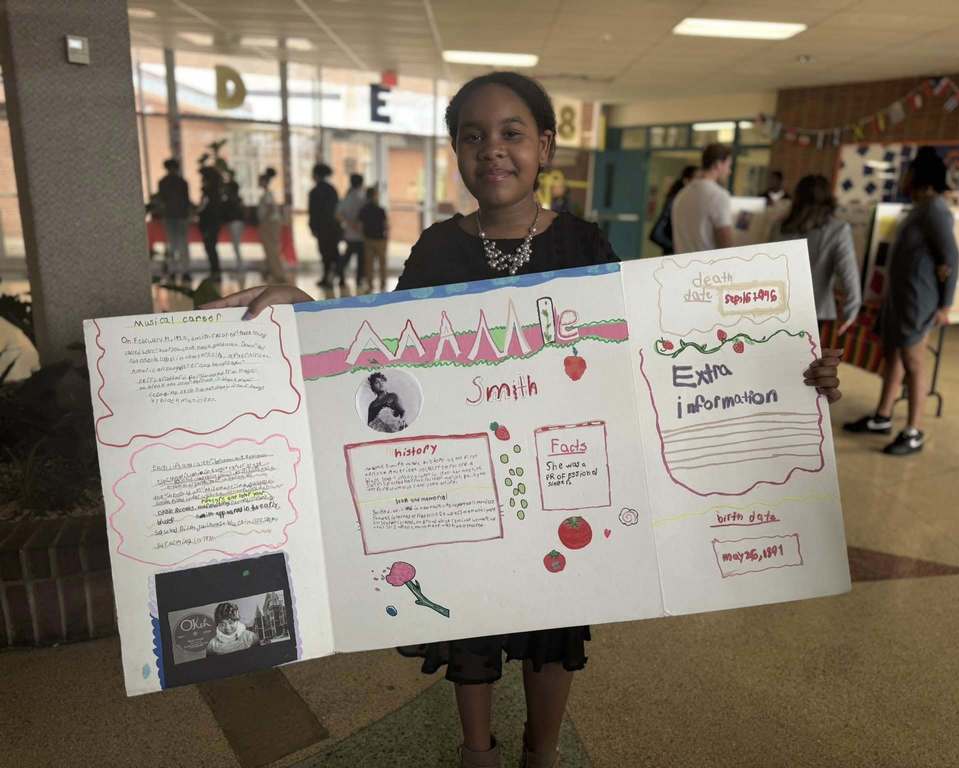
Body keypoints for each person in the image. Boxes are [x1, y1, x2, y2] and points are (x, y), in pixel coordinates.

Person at [203, 71, 844, 768]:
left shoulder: (584, 247)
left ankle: (542, 754)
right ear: (455, 151)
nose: (492, 150)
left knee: (554, 621)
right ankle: (476, 751)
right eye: (472, 137)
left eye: (511, 134)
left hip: (559, 479)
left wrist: (783, 375)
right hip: (464, 481)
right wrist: (307, 308)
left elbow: (644, 357)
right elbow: (386, 350)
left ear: (545, 145)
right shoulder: (437, 250)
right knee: (471, 617)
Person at [844, 147, 959, 456]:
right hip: (900, 297)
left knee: (914, 364)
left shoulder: (935, 209)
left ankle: (914, 430)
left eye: (909, 173)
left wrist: (946, 305)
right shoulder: (920, 208)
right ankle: (882, 417)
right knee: (893, 356)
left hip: (917, 301)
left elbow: (951, 257)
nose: (904, 178)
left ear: (921, 177)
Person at [771, 174, 861, 334]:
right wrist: (850, 311)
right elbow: (849, 275)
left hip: (777, 307)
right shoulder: (838, 229)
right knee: (805, 357)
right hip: (816, 310)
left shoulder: (780, 227)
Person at [671, 144, 733, 254]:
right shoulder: (719, 195)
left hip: (681, 266)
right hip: (707, 268)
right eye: (728, 166)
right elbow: (726, 244)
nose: (729, 171)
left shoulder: (682, 193)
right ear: (718, 164)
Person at [157, 158, 192, 282]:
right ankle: (184, 271)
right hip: (180, 216)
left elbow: (161, 200)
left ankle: (174, 271)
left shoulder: (163, 182)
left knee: (173, 245)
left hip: (171, 216)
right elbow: (187, 200)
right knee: (181, 245)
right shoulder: (182, 182)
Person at [649, 165, 696, 255]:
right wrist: (676, 247)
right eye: (697, 179)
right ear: (686, 181)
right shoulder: (675, 201)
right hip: (674, 258)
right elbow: (655, 234)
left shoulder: (690, 202)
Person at [308, 163, 342, 289]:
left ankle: (327, 278)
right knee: (335, 253)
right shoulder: (332, 189)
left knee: (325, 254)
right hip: (334, 227)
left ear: (316, 175)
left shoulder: (314, 191)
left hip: (322, 228)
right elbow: (337, 209)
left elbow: (313, 212)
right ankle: (340, 278)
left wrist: (312, 227)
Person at [336, 173, 368, 293]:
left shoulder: (346, 199)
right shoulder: (363, 199)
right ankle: (359, 280)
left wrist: (348, 224)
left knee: (346, 257)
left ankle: (340, 277)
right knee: (361, 259)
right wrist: (356, 225)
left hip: (349, 234)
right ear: (361, 184)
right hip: (361, 235)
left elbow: (338, 215)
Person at [257, 167, 287, 284]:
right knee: (271, 249)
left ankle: (279, 274)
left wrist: (264, 222)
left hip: (269, 224)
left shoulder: (267, 194)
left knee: (272, 249)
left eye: (260, 181)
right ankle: (270, 271)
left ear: (264, 181)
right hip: (271, 223)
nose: (258, 183)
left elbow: (270, 209)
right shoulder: (267, 194)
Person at [359, 185, 389, 292]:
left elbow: (361, 226)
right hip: (380, 239)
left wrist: (364, 237)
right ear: (375, 196)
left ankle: (370, 285)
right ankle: (383, 284)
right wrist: (386, 239)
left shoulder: (363, 210)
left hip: (368, 239)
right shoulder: (380, 210)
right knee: (382, 263)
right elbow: (386, 226)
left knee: (369, 264)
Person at [197, 166, 223, 280]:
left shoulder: (208, 193)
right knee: (212, 247)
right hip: (214, 223)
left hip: (209, 224)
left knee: (210, 247)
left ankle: (215, 272)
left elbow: (201, 208)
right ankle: (215, 271)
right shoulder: (217, 192)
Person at [223, 169, 246, 282]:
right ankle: (239, 267)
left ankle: (240, 268)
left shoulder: (232, 200)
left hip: (235, 222)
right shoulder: (237, 199)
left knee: (236, 246)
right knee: (236, 246)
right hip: (237, 222)